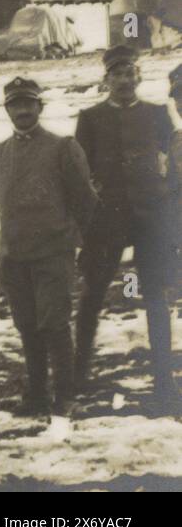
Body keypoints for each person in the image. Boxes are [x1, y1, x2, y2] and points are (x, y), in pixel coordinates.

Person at [74, 45, 180, 414]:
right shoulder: (89, 118)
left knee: (155, 297)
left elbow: (172, 158)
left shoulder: (157, 114)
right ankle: (78, 374)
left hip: (151, 218)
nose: (124, 80)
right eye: (116, 74)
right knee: (92, 295)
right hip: (107, 220)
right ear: (106, 80)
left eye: (129, 73)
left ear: (139, 77)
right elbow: (80, 172)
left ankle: (164, 380)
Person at [0, 77, 97, 420]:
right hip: (13, 254)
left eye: (28, 104)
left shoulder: (63, 146)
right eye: (15, 105)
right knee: (27, 325)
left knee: (54, 323)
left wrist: (67, 239)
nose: (22, 111)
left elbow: (85, 201)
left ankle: (64, 396)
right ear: (7, 109)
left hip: (53, 253)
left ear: (40, 107)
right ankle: (36, 395)